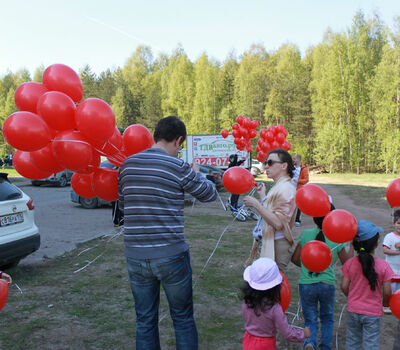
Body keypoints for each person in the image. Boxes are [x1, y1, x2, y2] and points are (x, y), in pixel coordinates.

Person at [118, 116, 217, 350]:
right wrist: (197, 173)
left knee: (144, 320)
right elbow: (209, 194)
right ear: (178, 140)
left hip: (135, 254)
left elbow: (123, 206)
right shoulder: (177, 166)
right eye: (180, 146)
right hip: (171, 254)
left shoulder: (127, 165)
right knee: (182, 318)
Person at [291, 205, 353, 350]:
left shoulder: (306, 234)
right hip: (327, 283)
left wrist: (308, 266)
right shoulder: (336, 238)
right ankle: (325, 346)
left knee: (310, 318)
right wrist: (352, 246)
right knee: (327, 318)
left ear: (314, 218)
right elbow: (347, 264)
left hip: (306, 283)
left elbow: (294, 259)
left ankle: (310, 342)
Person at [341, 220, 394, 350]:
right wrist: (385, 304)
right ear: (376, 244)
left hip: (353, 309)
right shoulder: (384, 266)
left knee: (353, 343)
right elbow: (387, 291)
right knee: (371, 344)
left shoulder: (350, 263)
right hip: (373, 313)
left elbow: (344, 286)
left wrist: (352, 296)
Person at [243, 149, 296, 272]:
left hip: (276, 245)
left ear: (284, 165)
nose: (266, 166)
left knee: (270, 285)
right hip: (271, 241)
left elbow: (278, 223)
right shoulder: (279, 186)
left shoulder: (286, 188)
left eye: (270, 162)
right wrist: (263, 197)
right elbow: (272, 212)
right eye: (266, 162)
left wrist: (256, 204)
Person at [241, 257, 310, 349]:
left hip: (248, 341)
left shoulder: (246, 302)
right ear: (275, 287)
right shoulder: (274, 309)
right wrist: (303, 334)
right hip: (266, 345)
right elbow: (287, 333)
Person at [292, 154, 309, 227]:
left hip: (299, 189)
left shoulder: (303, 168)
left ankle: (297, 219)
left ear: (298, 159)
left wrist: (298, 181)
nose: (293, 160)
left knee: (298, 204)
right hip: (290, 188)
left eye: (294, 159)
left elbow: (306, 180)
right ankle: (289, 219)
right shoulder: (291, 166)